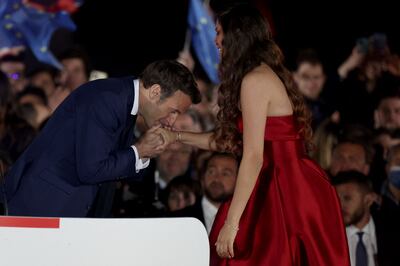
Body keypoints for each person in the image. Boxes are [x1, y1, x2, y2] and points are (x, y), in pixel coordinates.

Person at [158, 4, 350, 265]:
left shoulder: (255, 81)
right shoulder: (255, 76)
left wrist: (232, 223)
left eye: (219, 32)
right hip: (279, 184)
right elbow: (227, 141)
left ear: (236, 36)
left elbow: (253, 156)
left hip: (287, 190)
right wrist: (176, 137)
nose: (215, 40)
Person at [3, 60, 201, 217]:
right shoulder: (108, 99)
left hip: (61, 211)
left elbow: (119, 166)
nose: (172, 121)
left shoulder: (124, 101)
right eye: (173, 111)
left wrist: (144, 152)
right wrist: (139, 151)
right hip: (42, 210)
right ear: (156, 91)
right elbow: (91, 169)